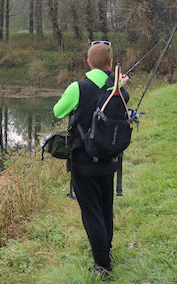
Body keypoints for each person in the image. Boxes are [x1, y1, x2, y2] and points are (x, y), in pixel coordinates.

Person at [53, 40, 129, 280]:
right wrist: (119, 84)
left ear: (88, 62)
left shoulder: (78, 87)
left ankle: (103, 265)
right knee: (105, 209)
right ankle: (105, 251)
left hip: (84, 162)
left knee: (92, 214)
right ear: (110, 63)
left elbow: (58, 111)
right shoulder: (118, 89)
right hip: (110, 159)